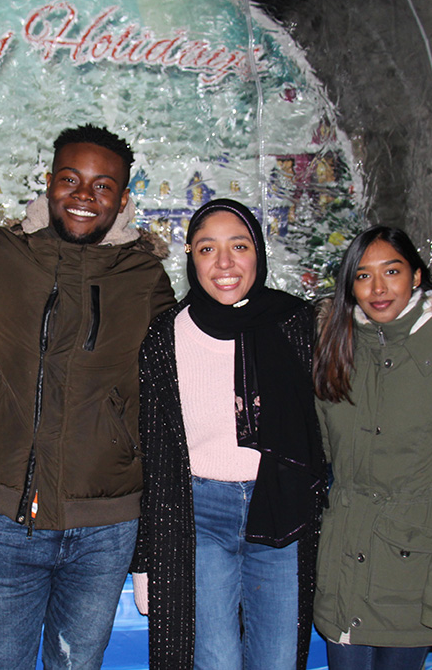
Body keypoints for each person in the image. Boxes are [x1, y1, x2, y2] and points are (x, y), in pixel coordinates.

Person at [0, 124, 176, 669]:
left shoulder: (144, 275)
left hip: (107, 526)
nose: (84, 196)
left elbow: (172, 387)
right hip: (8, 517)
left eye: (103, 186)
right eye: (71, 179)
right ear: (49, 183)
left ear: (123, 200)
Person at [131, 199, 326, 669]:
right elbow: (155, 455)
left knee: (278, 661)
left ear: (257, 253)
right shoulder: (165, 336)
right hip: (198, 515)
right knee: (214, 660)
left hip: (279, 510)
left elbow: (330, 425)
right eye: (206, 248)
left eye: (238, 246)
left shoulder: (298, 324)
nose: (224, 263)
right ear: (190, 258)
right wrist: (145, 558)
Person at [311, 226, 432, 669]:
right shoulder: (337, 346)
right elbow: (319, 451)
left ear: (416, 276)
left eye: (391, 271)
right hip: (344, 559)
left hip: (413, 566)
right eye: (363, 276)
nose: (378, 288)